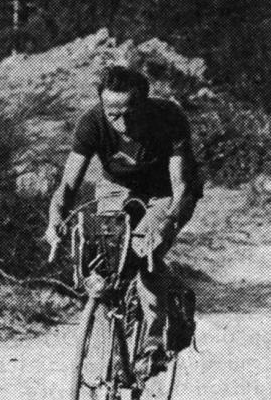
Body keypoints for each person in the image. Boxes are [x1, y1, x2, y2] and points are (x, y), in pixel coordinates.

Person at [45, 65, 202, 376]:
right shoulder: (91, 123)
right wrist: (55, 220)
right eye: (112, 114)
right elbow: (67, 185)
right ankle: (116, 349)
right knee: (107, 257)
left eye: (129, 113)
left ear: (144, 103)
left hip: (166, 191)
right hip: (118, 186)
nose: (121, 123)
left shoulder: (168, 117)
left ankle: (155, 339)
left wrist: (166, 224)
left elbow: (181, 186)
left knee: (147, 249)